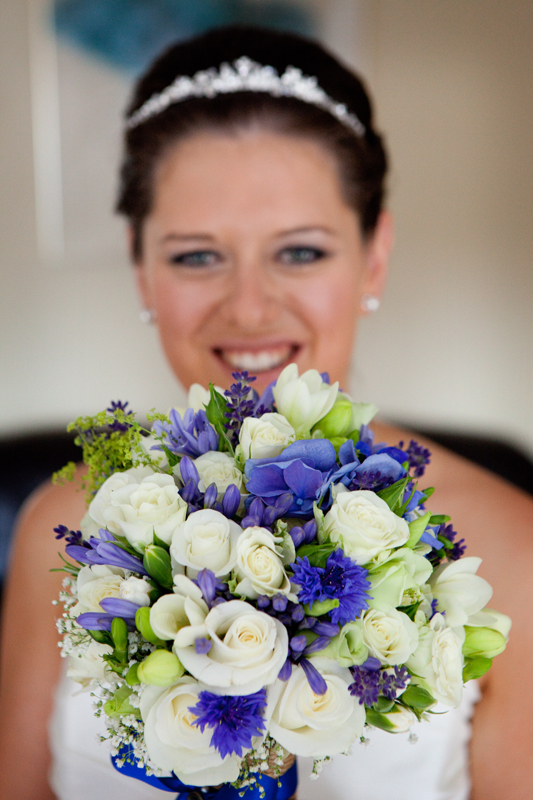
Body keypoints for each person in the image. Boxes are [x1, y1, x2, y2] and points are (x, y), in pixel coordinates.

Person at [1, 24, 532, 800]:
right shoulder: (64, 519)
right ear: (141, 268)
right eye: (194, 256)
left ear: (372, 256)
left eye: (300, 251)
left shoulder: (511, 547)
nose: (247, 307)